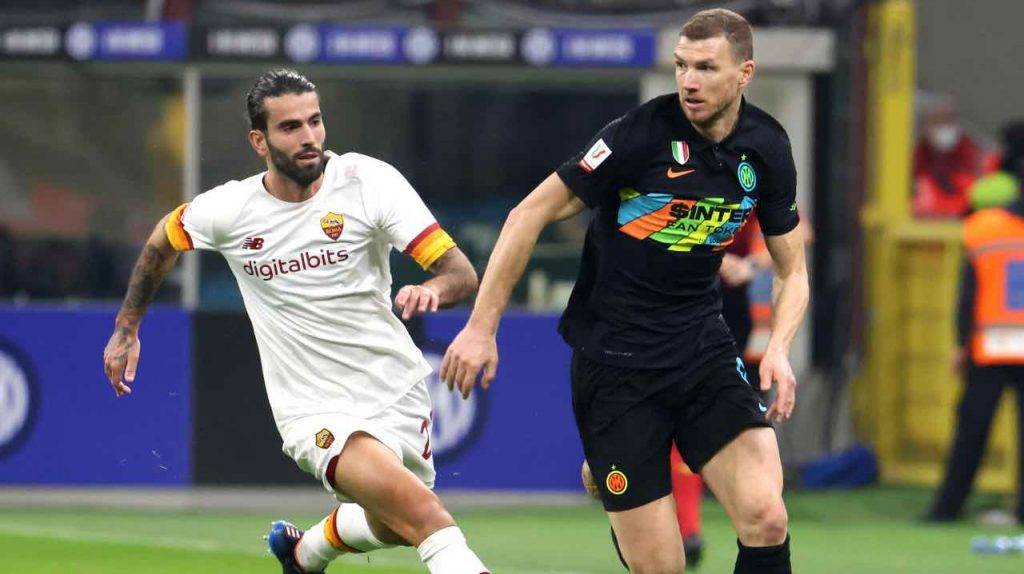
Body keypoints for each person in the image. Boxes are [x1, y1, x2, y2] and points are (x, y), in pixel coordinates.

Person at [442, 9, 808, 574]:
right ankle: (614, 458)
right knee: (662, 568)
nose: (688, 81)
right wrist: (481, 326)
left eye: (706, 68)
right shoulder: (639, 135)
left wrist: (779, 346)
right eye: (681, 66)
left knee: (767, 518)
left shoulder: (766, 145)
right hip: (616, 366)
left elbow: (792, 270)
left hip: (701, 350)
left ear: (744, 73)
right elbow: (526, 215)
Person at [101, 69, 490, 574]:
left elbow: (460, 273)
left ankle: (304, 553)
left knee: (395, 524)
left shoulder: (370, 182)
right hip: (314, 409)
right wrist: (126, 328)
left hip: (395, 390)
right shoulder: (230, 210)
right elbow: (162, 241)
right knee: (427, 518)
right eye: (290, 128)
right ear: (259, 141)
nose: (309, 138)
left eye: (315, 121)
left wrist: (430, 288)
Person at [927, 123, 1024, 525]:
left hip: (989, 349)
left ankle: (946, 509)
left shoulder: (983, 227)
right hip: (993, 349)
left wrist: (959, 345)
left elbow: (966, 297)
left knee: (970, 433)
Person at [912, 98, 982, 218]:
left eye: (948, 121)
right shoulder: (914, 162)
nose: (944, 127)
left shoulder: (974, 157)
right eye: (937, 121)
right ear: (924, 126)